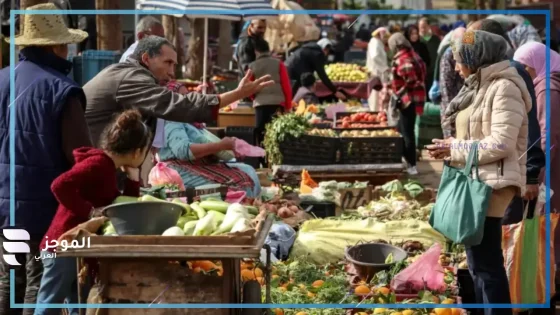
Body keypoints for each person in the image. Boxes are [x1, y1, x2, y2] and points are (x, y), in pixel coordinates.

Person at [428, 30, 531, 315]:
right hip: (479, 180)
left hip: (492, 185)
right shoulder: (480, 85)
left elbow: (501, 143)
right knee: (477, 263)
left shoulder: (504, 88)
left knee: (486, 265)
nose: (457, 68)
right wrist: (451, 145)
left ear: (477, 58)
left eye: (460, 60)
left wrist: (455, 148)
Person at [0, 4, 92, 314]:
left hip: (4, 207)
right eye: (65, 44)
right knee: (38, 283)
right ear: (56, 46)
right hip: (44, 211)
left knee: (9, 280)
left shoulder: (2, 80)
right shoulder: (62, 90)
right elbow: (81, 157)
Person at [33, 110, 149, 315]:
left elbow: (120, 204)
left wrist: (133, 178)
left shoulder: (108, 167)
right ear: (136, 152)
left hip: (80, 247)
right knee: (48, 306)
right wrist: (90, 212)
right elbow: (59, 185)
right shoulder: (98, 164)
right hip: (63, 245)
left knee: (78, 305)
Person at [83, 35, 273, 148]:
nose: (172, 72)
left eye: (174, 64)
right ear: (146, 58)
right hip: (90, 156)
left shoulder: (128, 73)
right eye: (167, 63)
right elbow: (177, 104)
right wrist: (236, 94)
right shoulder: (131, 77)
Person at [468, 19, 545, 226]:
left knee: (505, 241)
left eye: (471, 40)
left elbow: (530, 126)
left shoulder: (512, 73)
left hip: (509, 178)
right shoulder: (487, 74)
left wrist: (530, 176)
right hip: (490, 176)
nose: (467, 47)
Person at [513, 41, 560, 260]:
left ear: (536, 64)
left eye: (525, 68)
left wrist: (536, 176)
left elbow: (547, 135)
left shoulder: (546, 88)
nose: (523, 74)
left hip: (552, 170)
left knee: (549, 222)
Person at [158, 121, 261, 198]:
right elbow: (183, 151)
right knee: (240, 183)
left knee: (248, 170)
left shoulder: (189, 121)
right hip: (180, 170)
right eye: (184, 95)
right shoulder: (172, 120)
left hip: (198, 164)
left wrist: (222, 149)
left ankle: (253, 204)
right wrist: (220, 146)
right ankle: (245, 208)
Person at [248, 37, 292, 166]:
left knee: (261, 133)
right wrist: (288, 105)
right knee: (276, 132)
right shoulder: (278, 63)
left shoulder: (252, 66)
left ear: (256, 51)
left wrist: (254, 98)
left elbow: (249, 88)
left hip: (261, 104)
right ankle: (276, 160)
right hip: (278, 104)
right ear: (269, 50)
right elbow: (286, 86)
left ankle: (263, 160)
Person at [387, 33, 427, 175]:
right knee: (403, 129)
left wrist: (399, 93)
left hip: (407, 100)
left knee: (407, 132)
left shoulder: (403, 59)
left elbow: (410, 79)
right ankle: (407, 160)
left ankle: (411, 165)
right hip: (417, 98)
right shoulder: (414, 55)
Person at [438, 27, 466, 136]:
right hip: (452, 106)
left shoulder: (468, 52)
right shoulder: (449, 55)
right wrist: (452, 113)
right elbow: (446, 88)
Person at [366, 27, 391, 111]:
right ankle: (375, 113)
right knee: (375, 95)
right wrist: (385, 68)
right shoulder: (375, 42)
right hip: (376, 72)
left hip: (380, 72)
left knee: (379, 95)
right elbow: (375, 57)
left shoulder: (378, 42)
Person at [418, 17, 441, 101]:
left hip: (433, 72)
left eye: (424, 26)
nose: (422, 29)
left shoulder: (436, 40)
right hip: (420, 73)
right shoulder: (417, 40)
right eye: (420, 27)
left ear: (428, 26)